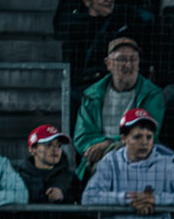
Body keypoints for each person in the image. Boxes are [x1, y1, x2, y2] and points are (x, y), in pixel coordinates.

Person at [71, 39, 167, 176]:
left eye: (133, 59)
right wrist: (105, 147)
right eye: (121, 59)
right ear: (108, 64)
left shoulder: (152, 94)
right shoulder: (91, 95)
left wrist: (108, 145)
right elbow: (82, 137)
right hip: (99, 159)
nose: (128, 64)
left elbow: (148, 133)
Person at [9, 125, 88, 219]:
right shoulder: (17, 178)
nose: (55, 150)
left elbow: (86, 212)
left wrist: (64, 198)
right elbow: (7, 212)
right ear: (32, 150)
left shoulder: (71, 179)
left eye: (58, 146)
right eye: (48, 145)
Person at [58, 0, 149, 100]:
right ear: (87, 0)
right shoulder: (76, 28)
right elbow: (74, 65)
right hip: (88, 84)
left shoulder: (122, 21)